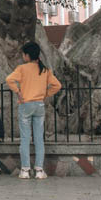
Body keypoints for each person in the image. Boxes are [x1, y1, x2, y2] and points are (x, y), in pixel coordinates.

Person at [5, 41, 61, 180]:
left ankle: (25, 170)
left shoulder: (22, 69)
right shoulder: (44, 70)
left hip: (26, 105)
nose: (23, 56)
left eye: (24, 54)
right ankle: (39, 170)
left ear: (27, 55)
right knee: (39, 139)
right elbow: (57, 85)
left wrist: (18, 91)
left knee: (25, 138)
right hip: (39, 105)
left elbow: (9, 79)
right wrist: (45, 94)